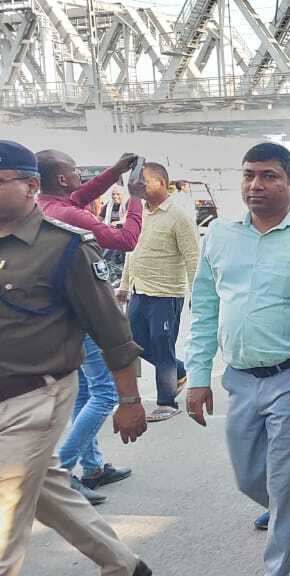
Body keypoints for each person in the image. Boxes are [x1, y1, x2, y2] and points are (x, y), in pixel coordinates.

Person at [185, 142, 290, 575]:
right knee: (250, 479)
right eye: (249, 175)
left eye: (269, 176)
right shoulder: (220, 235)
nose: (255, 184)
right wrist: (198, 376)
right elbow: (205, 308)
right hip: (239, 378)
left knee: (284, 481)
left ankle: (276, 568)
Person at [0, 139, 152, 576]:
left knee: (5, 518)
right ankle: (125, 565)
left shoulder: (65, 246)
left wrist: (129, 400)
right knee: (49, 493)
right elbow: (82, 194)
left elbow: (112, 329)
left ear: (31, 186)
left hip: (35, 396)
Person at [36, 151, 145, 502]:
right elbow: (126, 240)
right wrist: (136, 198)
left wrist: (115, 171)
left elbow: (84, 193)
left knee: (84, 392)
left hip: (64, 320)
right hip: (86, 315)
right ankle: (62, 471)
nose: (81, 175)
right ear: (62, 179)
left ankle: (93, 467)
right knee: (105, 393)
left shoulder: (47, 206)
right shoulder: (70, 215)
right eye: (75, 171)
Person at [118, 161, 199, 423]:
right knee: (132, 343)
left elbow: (193, 258)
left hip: (166, 294)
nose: (138, 187)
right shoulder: (137, 213)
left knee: (163, 347)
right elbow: (131, 251)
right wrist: (124, 284)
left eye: (144, 182)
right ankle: (179, 370)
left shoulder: (178, 216)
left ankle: (166, 402)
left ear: (162, 183)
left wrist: (197, 295)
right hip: (139, 291)